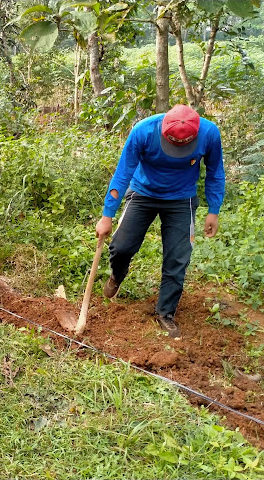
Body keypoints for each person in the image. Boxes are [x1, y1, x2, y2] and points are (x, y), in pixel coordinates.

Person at [95, 104, 225, 340]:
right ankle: (117, 274)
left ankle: (165, 311)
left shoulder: (209, 133)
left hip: (181, 198)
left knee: (178, 257)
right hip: (143, 193)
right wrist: (107, 215)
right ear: (164, 129)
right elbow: (123, 172)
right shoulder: (144, 131)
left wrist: (213, 210)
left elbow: (215, 171)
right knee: (121, 246)